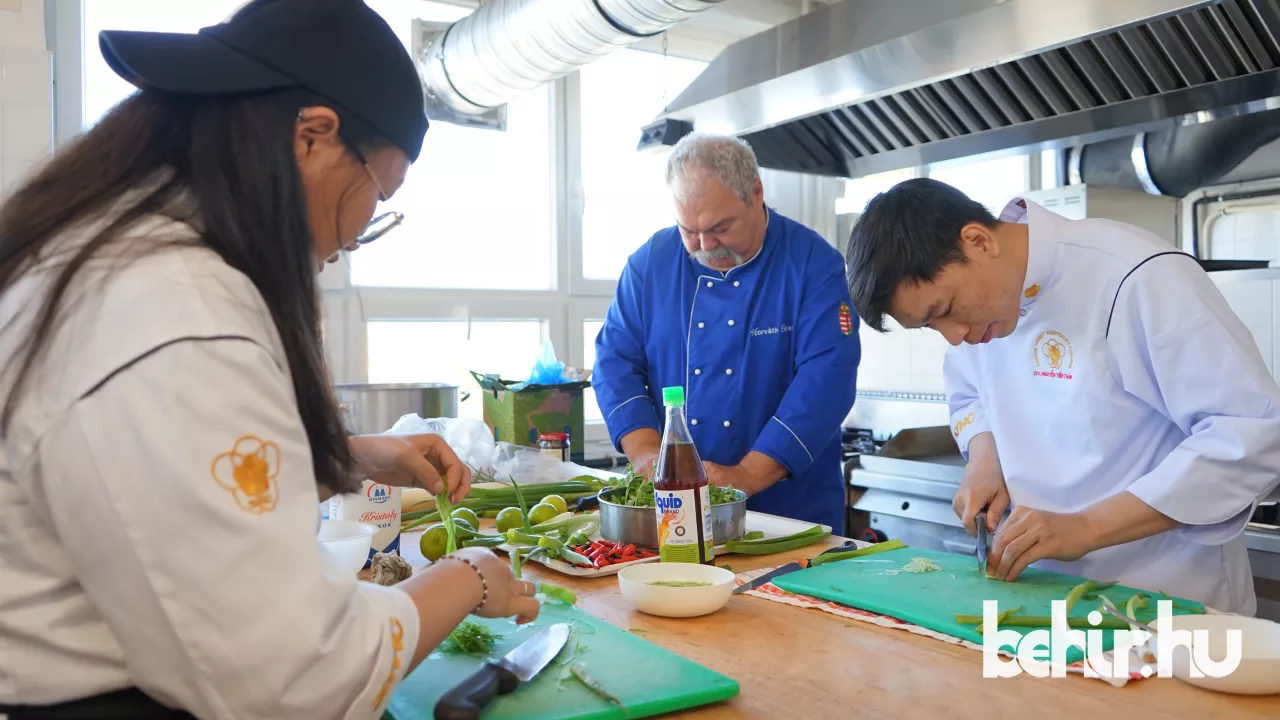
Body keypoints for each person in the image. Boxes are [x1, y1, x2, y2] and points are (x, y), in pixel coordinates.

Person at [0, 2, 539, 718]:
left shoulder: (111, 254)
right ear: (313, 136)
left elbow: (154, 487)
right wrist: (463, 578)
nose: (351, 239)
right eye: (376, 197)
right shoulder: (175, 313)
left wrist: (345, 458)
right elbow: (293, 678)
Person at [845, 177, 1280, 615]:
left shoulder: (1135, 274)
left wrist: (1088, 526)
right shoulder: (979, 316)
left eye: (943, 311)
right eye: (930, 326)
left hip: (1167, 602)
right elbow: (970, 396)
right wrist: (984, 460)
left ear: (978, 241)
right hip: (1043, 597)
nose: (954, 337)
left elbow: (1249, 433)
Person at [593, 133, 860, 533]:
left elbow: (827, 381)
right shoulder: (651, 264)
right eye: (689, 230)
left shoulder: (812, 264)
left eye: (720, 227)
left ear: (756, 193)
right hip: (674, 514)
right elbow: (615, 361)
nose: (704, 245)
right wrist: (648, 455)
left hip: (789, 516)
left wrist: (747, 475)